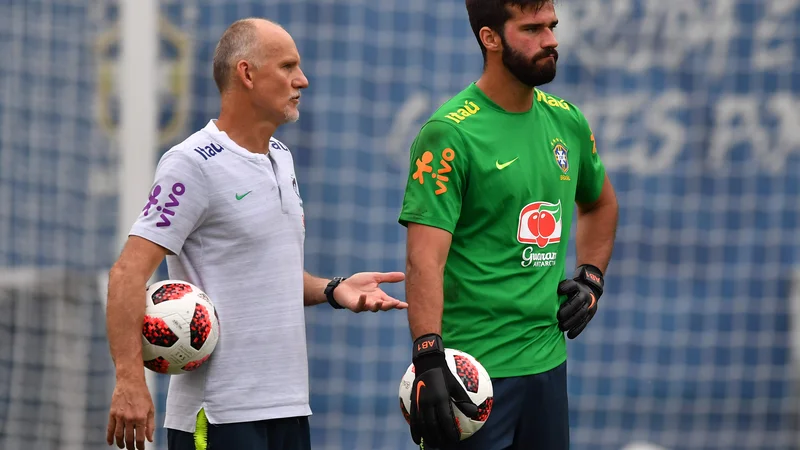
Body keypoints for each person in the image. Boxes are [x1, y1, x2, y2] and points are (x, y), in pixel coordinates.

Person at [105, 18, 407, 450]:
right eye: (287, 66)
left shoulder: (281, 158)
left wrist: (333, 288)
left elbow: (263, 278)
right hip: (220, 416)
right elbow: (127, 275)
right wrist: (130, 381)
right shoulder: (191, 163)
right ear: (246, 74)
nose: (302, 80)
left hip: (289, 410)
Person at [398, 0, 619, 449]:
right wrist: (428, 357)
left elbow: (600, 204)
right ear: (491, 38)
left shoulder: (567, 120)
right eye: (533, 29)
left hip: (547, 367)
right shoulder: (448, 133)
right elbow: (425, 259)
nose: (552, 40)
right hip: (474, 378)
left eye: (552, 27)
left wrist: (591, 278)